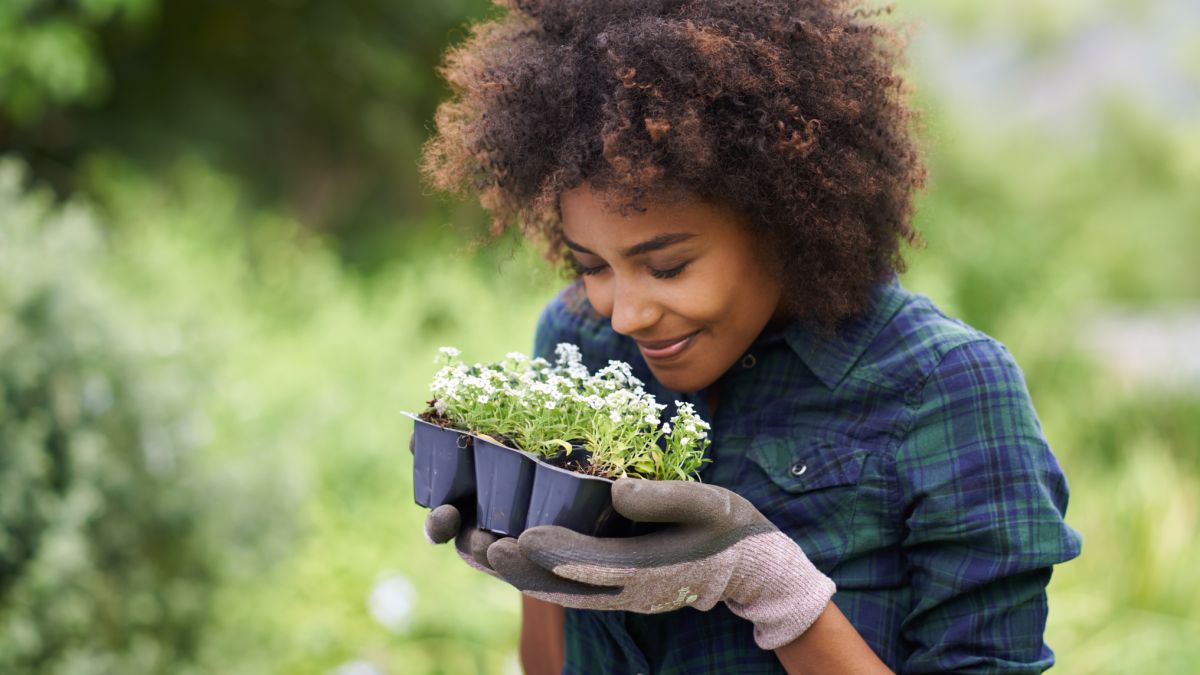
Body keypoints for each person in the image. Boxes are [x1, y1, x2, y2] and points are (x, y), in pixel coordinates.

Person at [419, 1, 1083, 672]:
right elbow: (551, 664)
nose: (624, 314)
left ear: (782, 220)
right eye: (592, 265)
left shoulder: (947, 389)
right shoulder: (579, 340)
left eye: (668, 266)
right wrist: (529, 547)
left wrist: (770, 585)